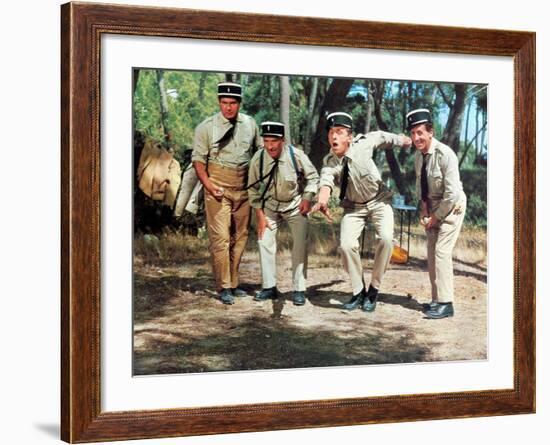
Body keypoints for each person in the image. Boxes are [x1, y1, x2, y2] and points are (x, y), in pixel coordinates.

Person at [311, 112, 412, 312]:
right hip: (354, 207)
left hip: (379, 201)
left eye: (339, 132)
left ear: (349, 136)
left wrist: (402, 140)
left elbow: (383, 136)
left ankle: (374, 289)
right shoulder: (330, 161)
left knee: (385, 238)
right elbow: (326, 179)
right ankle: (358, 292)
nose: (334, 137)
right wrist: (322, 199)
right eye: (331, 132)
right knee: (347, 246)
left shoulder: (363, 144)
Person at [192, 82, 262, 305]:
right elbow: (198, 161)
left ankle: (233, 282)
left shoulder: (250, 124)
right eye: (224, 103)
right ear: (218, 102)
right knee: (221, 238)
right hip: (217, 189)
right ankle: (223, 286)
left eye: (233, 103)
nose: (228, 108)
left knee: (239, 238)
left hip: (243, 190)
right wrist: (209, 185)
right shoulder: (207, 127)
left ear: (239, 103)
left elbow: (260, 153)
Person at [247, 122, 319, 305]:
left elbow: (313, 177)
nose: (270, 145)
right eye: (266, 141)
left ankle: (299, 289)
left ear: (283, 141)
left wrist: (307, 197)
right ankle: (269, 287)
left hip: (295, 205)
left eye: (274, 141)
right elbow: (253, 190)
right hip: (270, 205)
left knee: (300, 243)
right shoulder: (258, 159)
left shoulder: (296, 156)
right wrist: (260, 217)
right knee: (264, 240)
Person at [406, 108, 467, 319]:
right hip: (432, 206)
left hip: (452, 207)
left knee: (441, 251)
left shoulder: (445, 154)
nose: (416, 138)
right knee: (431, 253)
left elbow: (452, 193)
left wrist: (436, 217)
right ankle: (436, 300)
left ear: (430, 132)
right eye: (413, 133)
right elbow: (420, 184)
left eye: (420, 132)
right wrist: (424, 209)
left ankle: (446, 303)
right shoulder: (418, 156)